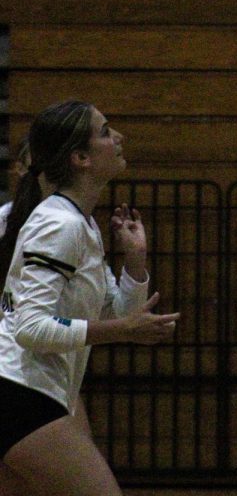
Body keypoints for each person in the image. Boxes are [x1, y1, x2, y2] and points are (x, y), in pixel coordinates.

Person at [0, 100, 180, 496]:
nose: (118, 138)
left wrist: (134, 261)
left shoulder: (79, 222)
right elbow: (31, 328)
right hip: (18, 391)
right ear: (80, 158)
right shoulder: (58, 223)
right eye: (104, 131)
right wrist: (121, 329)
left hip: (32, 390)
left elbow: (119, 312)